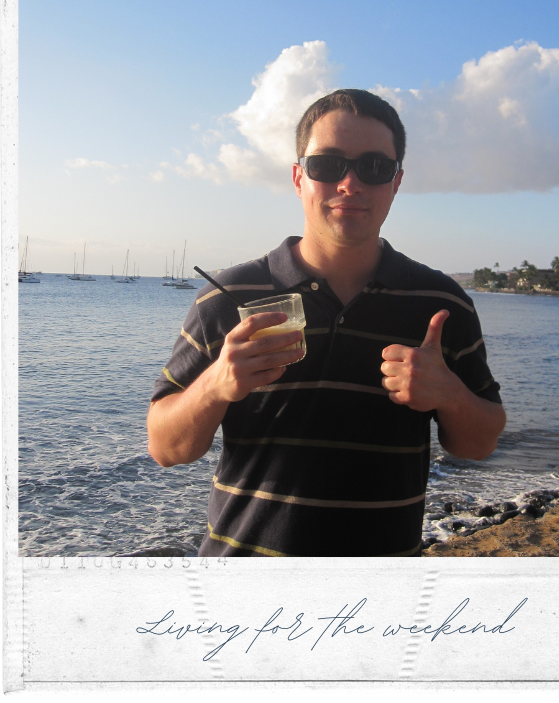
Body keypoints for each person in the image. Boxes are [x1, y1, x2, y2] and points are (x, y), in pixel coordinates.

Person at [147, 89, 506, 557]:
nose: (350, 184)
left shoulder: (441, 303)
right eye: (328, 165)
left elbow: (477, 444)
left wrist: (449, 395)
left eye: (374, 167)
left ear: (396, 182)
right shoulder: (227, 298)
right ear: (299, 178)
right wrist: (216, 384)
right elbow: (165, 447)